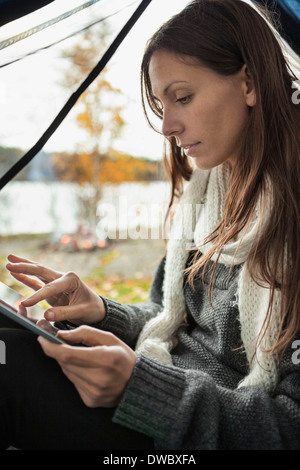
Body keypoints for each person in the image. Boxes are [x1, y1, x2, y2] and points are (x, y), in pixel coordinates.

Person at [1, 0, 300, 450]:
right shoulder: (209, 194)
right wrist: (103, 312)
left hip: (185, 429)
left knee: (12, 376)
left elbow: (289, 427)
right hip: (164, 389)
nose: (167, 125)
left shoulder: (291, 218)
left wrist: (143, 391)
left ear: (250, 83)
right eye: (162, 104)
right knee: (10, 343)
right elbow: (169, 318)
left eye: (182, 97)